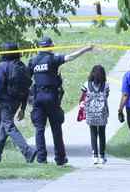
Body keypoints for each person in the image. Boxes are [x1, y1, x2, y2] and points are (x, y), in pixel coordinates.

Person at [28, 36, 93, 165]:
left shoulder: (33, 61)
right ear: (50, 46)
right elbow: (70, 57)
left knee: (39, 129)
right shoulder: (53, 59)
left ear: (40, 47)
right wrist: (85, 49)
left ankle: (41, 159)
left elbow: (26, 79)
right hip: (51, 98)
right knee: (56, 128)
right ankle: (60, 158)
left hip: (38, 98)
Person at [0, 42, 37, 163]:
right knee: (4, 127)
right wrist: (22, 108)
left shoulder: (2, 66)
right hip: (16, 101)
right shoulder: (22, 66)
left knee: (9, 126)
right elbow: (26, 88)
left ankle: (28, 151)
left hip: (5, 102)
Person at [81, 65, 109, 164]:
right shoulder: (106, 85)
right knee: (102, 133)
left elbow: (83, 98)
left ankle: (94, 155)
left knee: (93, 133)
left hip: (91, 113)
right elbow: (107, 96)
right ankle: (102, 155)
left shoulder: (86, 85)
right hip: (102, 113)